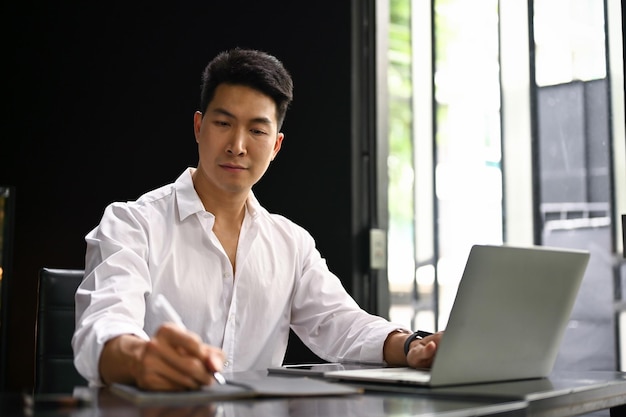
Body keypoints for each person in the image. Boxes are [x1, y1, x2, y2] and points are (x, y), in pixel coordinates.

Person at [72, 48, 442, 391]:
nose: (238, 145)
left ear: (276, 145)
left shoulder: (290, 243)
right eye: (223, 124)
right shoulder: (132, 224)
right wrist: (140, 359)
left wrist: (411, 345)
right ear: (199, 127)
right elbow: (102, 325)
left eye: (257, 130)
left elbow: (341, 323)